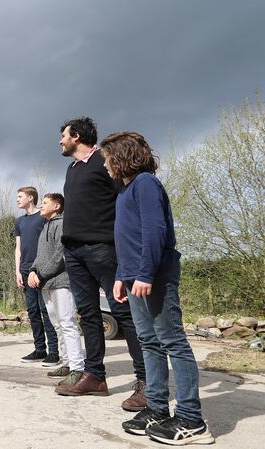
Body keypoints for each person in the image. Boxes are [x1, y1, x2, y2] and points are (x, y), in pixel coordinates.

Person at [102, 131, 213, 444]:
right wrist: (122, 276)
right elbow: (127, 240)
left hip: (155, 275)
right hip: (135, 277)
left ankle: (192, 419)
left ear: (122, 156)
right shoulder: (123, 193)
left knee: (172, 341)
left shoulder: (145, 184)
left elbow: (154, 232)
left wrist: (146, 274)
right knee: (148, 341)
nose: (106, 166)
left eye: (108, 159)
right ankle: (157, 408)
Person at [53, 117, 147, 413]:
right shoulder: (72, 168)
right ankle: (95, 376)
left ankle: (145, 381)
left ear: (76, 136)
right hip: (75, 252)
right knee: (88, 315)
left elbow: (125, 203)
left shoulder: (103, 162)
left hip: (104, 249)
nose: (60, 141)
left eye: (63, 136)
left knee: (123, 313)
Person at [27, 193, 85, 387]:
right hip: (46, 283)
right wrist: (33, 271)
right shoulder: (45, 226)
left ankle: (78, 367)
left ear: (57, 206)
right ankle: (67, 363)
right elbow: (40, 255)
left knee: (67, 323)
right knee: (57, 324)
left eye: (45, 203)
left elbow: (61, 255)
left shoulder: (61, 225)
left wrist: (41, 274)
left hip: (61, 282)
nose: (41, 206)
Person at [14, 186, 59, 366]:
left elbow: (50, 241)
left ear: (30, 197)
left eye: (20, 196)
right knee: (32, 311)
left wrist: (43, 269)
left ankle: (54, 352)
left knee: (46, 310)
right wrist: (17, 271)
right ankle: (40, 349)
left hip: (42, 270)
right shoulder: (19, 221)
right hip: (24, 271)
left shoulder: (43, 216)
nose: (17, 199)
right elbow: (18, 247)